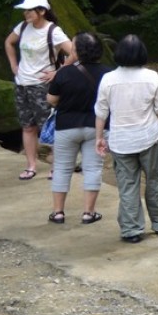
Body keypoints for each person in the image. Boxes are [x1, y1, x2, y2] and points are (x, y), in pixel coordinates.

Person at [94, 33, 158, 243]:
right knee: (155, 179)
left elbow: (101, 112)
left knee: (128, 185)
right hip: (149, 136)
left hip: (121, 141)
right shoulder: (151, 77)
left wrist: (99, 138)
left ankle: (131, 230)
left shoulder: (108, 79)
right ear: (142, 53)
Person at [4, 0, 74, 181]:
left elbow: (74, 52)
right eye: (25, 11)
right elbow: (9, 43)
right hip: (22, 83)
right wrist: (13, 65)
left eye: (29, 11)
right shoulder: (23, 27)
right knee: (27, 126)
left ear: (41, 11)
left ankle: (57, 166)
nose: (26, 14)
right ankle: (31, 165)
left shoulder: (53, 31)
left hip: (42, 85)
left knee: (49, 127)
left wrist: (57, 72)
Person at [45, 32, 110, 225]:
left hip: (66, 126)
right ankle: (88, 213)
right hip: (97, 127)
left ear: (77, 51)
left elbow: (51, 99)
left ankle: (58, 213)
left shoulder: (64, 73)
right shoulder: (108, 74)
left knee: (62, 168)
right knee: (93, 169)